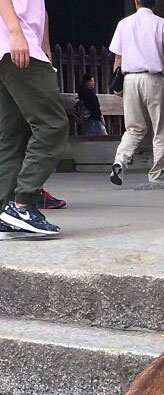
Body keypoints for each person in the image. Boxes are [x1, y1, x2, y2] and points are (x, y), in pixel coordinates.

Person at [0, 0, 69, 237]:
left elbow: (41, 9)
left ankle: (5, 213)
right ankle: (23, 202)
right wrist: (16, 33)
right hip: (17, 44)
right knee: (53, 125)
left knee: (12, 134)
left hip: (13, 46)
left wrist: (45, 46)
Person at [108, 0, 164, 189]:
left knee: (134, 128)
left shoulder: (124, 24)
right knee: (160, 128)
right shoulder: (161, 24)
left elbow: (118, 57)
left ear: (136, 1)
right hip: (153, 78)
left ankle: (120, 161)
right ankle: (157, 175)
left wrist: (117, 84)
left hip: (130, 79)